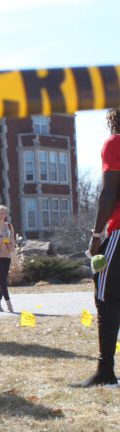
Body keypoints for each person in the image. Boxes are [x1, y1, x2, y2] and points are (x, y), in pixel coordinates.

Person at [70, 109, 120, 388]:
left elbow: (109, 191)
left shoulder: (115, 143)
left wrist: (96, 233)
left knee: (106, 297)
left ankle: (105, 371)